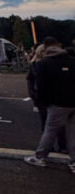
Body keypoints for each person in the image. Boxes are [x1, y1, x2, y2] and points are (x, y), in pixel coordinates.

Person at [24, 37, 75, 172]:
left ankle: (40, 157)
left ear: (45, 48)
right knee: (72, 132)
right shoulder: (72, 61)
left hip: (57, 102)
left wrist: (43, 102)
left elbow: (42, 86)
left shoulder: (44, 64)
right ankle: (74, 161)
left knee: (50, 130)